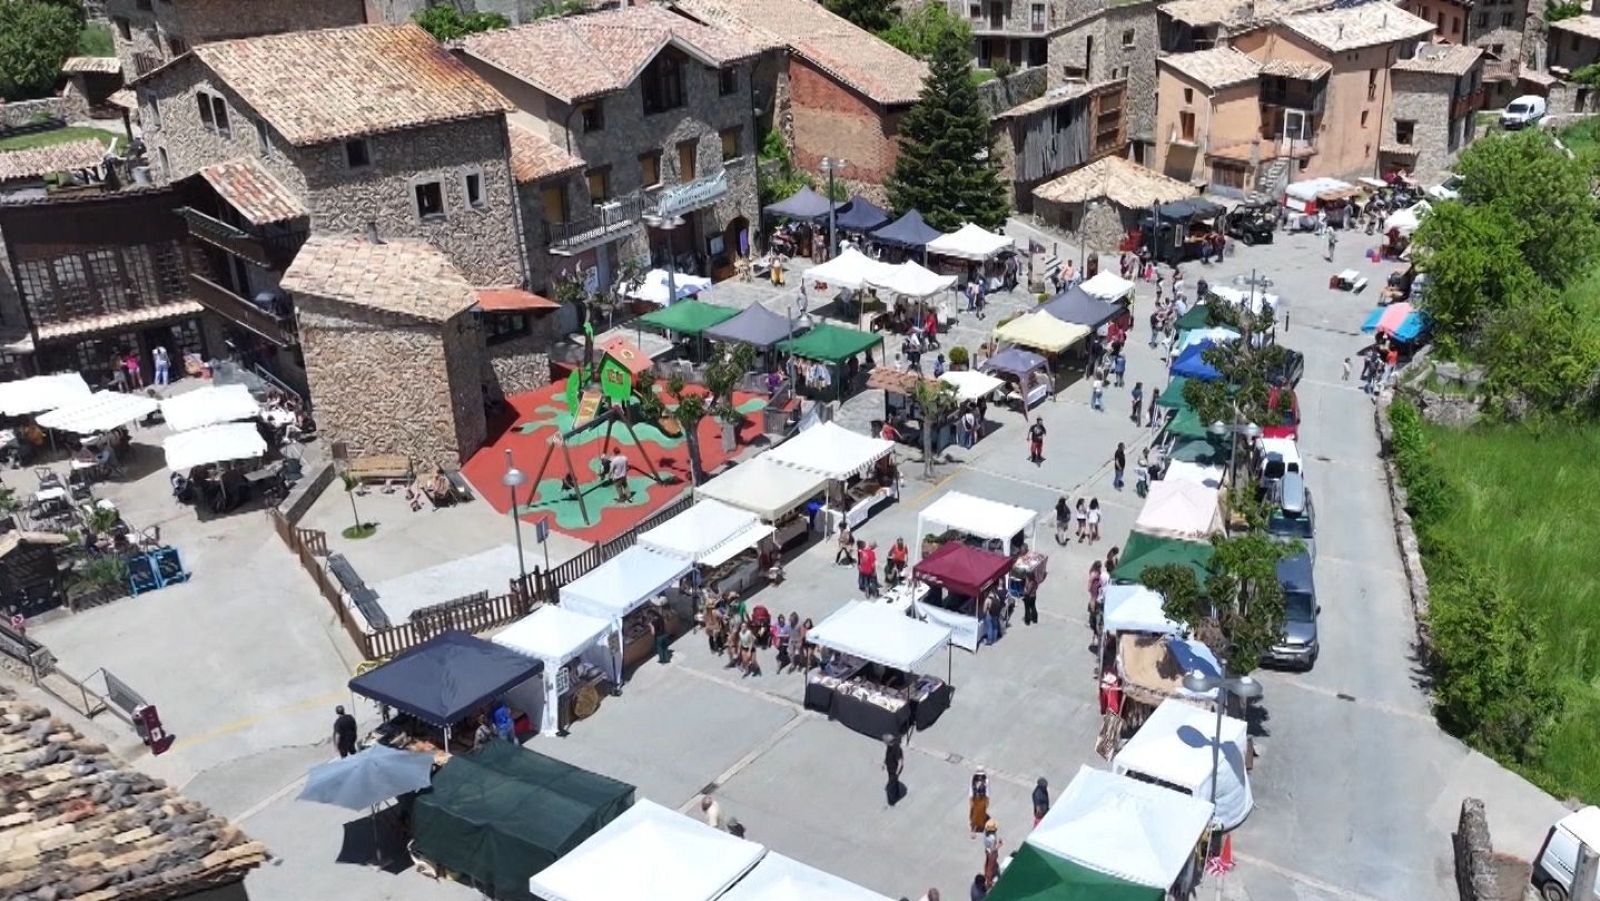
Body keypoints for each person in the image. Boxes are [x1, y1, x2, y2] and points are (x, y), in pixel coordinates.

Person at [884, 733, 904, 807]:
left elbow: (900, 761)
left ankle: (892, 802)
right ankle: (897, 795)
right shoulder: (889, 747)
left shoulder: (896, 748)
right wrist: (884, 763)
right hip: (890, 769)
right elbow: (887, 756)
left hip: (894, 771)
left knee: (890, 786)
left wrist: (897, 772)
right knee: (894, 784)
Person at [968, 768, 990, 835]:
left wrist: (987, 799)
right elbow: (971, 788)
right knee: (973, 813)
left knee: (981, 813)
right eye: (978, 775)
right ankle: (974, 826)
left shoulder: (986, 780)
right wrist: (970, 797)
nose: (980, 777)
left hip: (982, 798)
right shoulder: (973, 779)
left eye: (981, 775)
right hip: (975, 798)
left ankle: (979, 826)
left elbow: (987, 789)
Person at [982, 821, 1003, 887]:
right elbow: (993, 849)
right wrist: (999, 845)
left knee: (987, 863)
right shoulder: (992, 838)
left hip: (987, 850)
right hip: (992, 854)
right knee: (990, 867)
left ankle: (986, 875)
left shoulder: (985, 833)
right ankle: (989, 882)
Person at [1087, 560, 1104, 633]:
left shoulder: (1094, 572)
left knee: (1093, 599)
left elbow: (1091, 581)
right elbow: (1092, 580)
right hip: (1096, 587)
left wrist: (1089, 587)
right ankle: (1093, 611)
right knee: (1094, 599)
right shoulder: (1096, 572)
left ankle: (1093, 611)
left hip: (1095, 587)